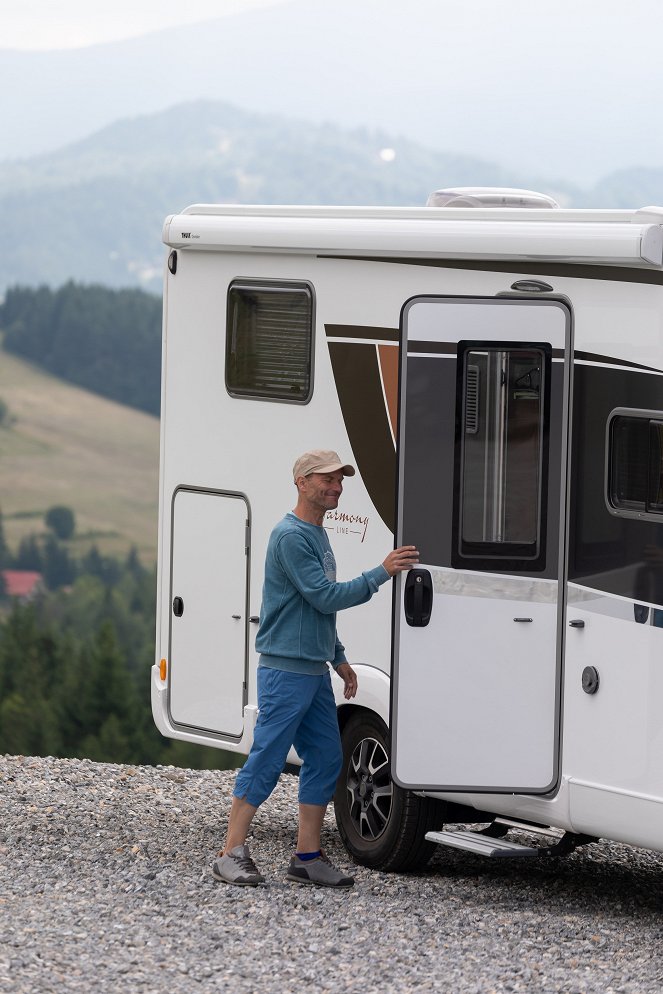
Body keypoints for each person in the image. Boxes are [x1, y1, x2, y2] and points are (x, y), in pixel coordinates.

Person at [212, 449, 419, 888]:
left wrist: (338, 659)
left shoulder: (316, 534)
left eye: (340, 480)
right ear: (302, 483)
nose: (336, 486)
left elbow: (316, 611)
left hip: (311, 671)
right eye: (327, 479)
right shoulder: (291, 536)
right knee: (267, 757)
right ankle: (230, 852)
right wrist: (381, 572)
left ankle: (306, 857)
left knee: (326, 757)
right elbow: (325, 597)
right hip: (286, 673)